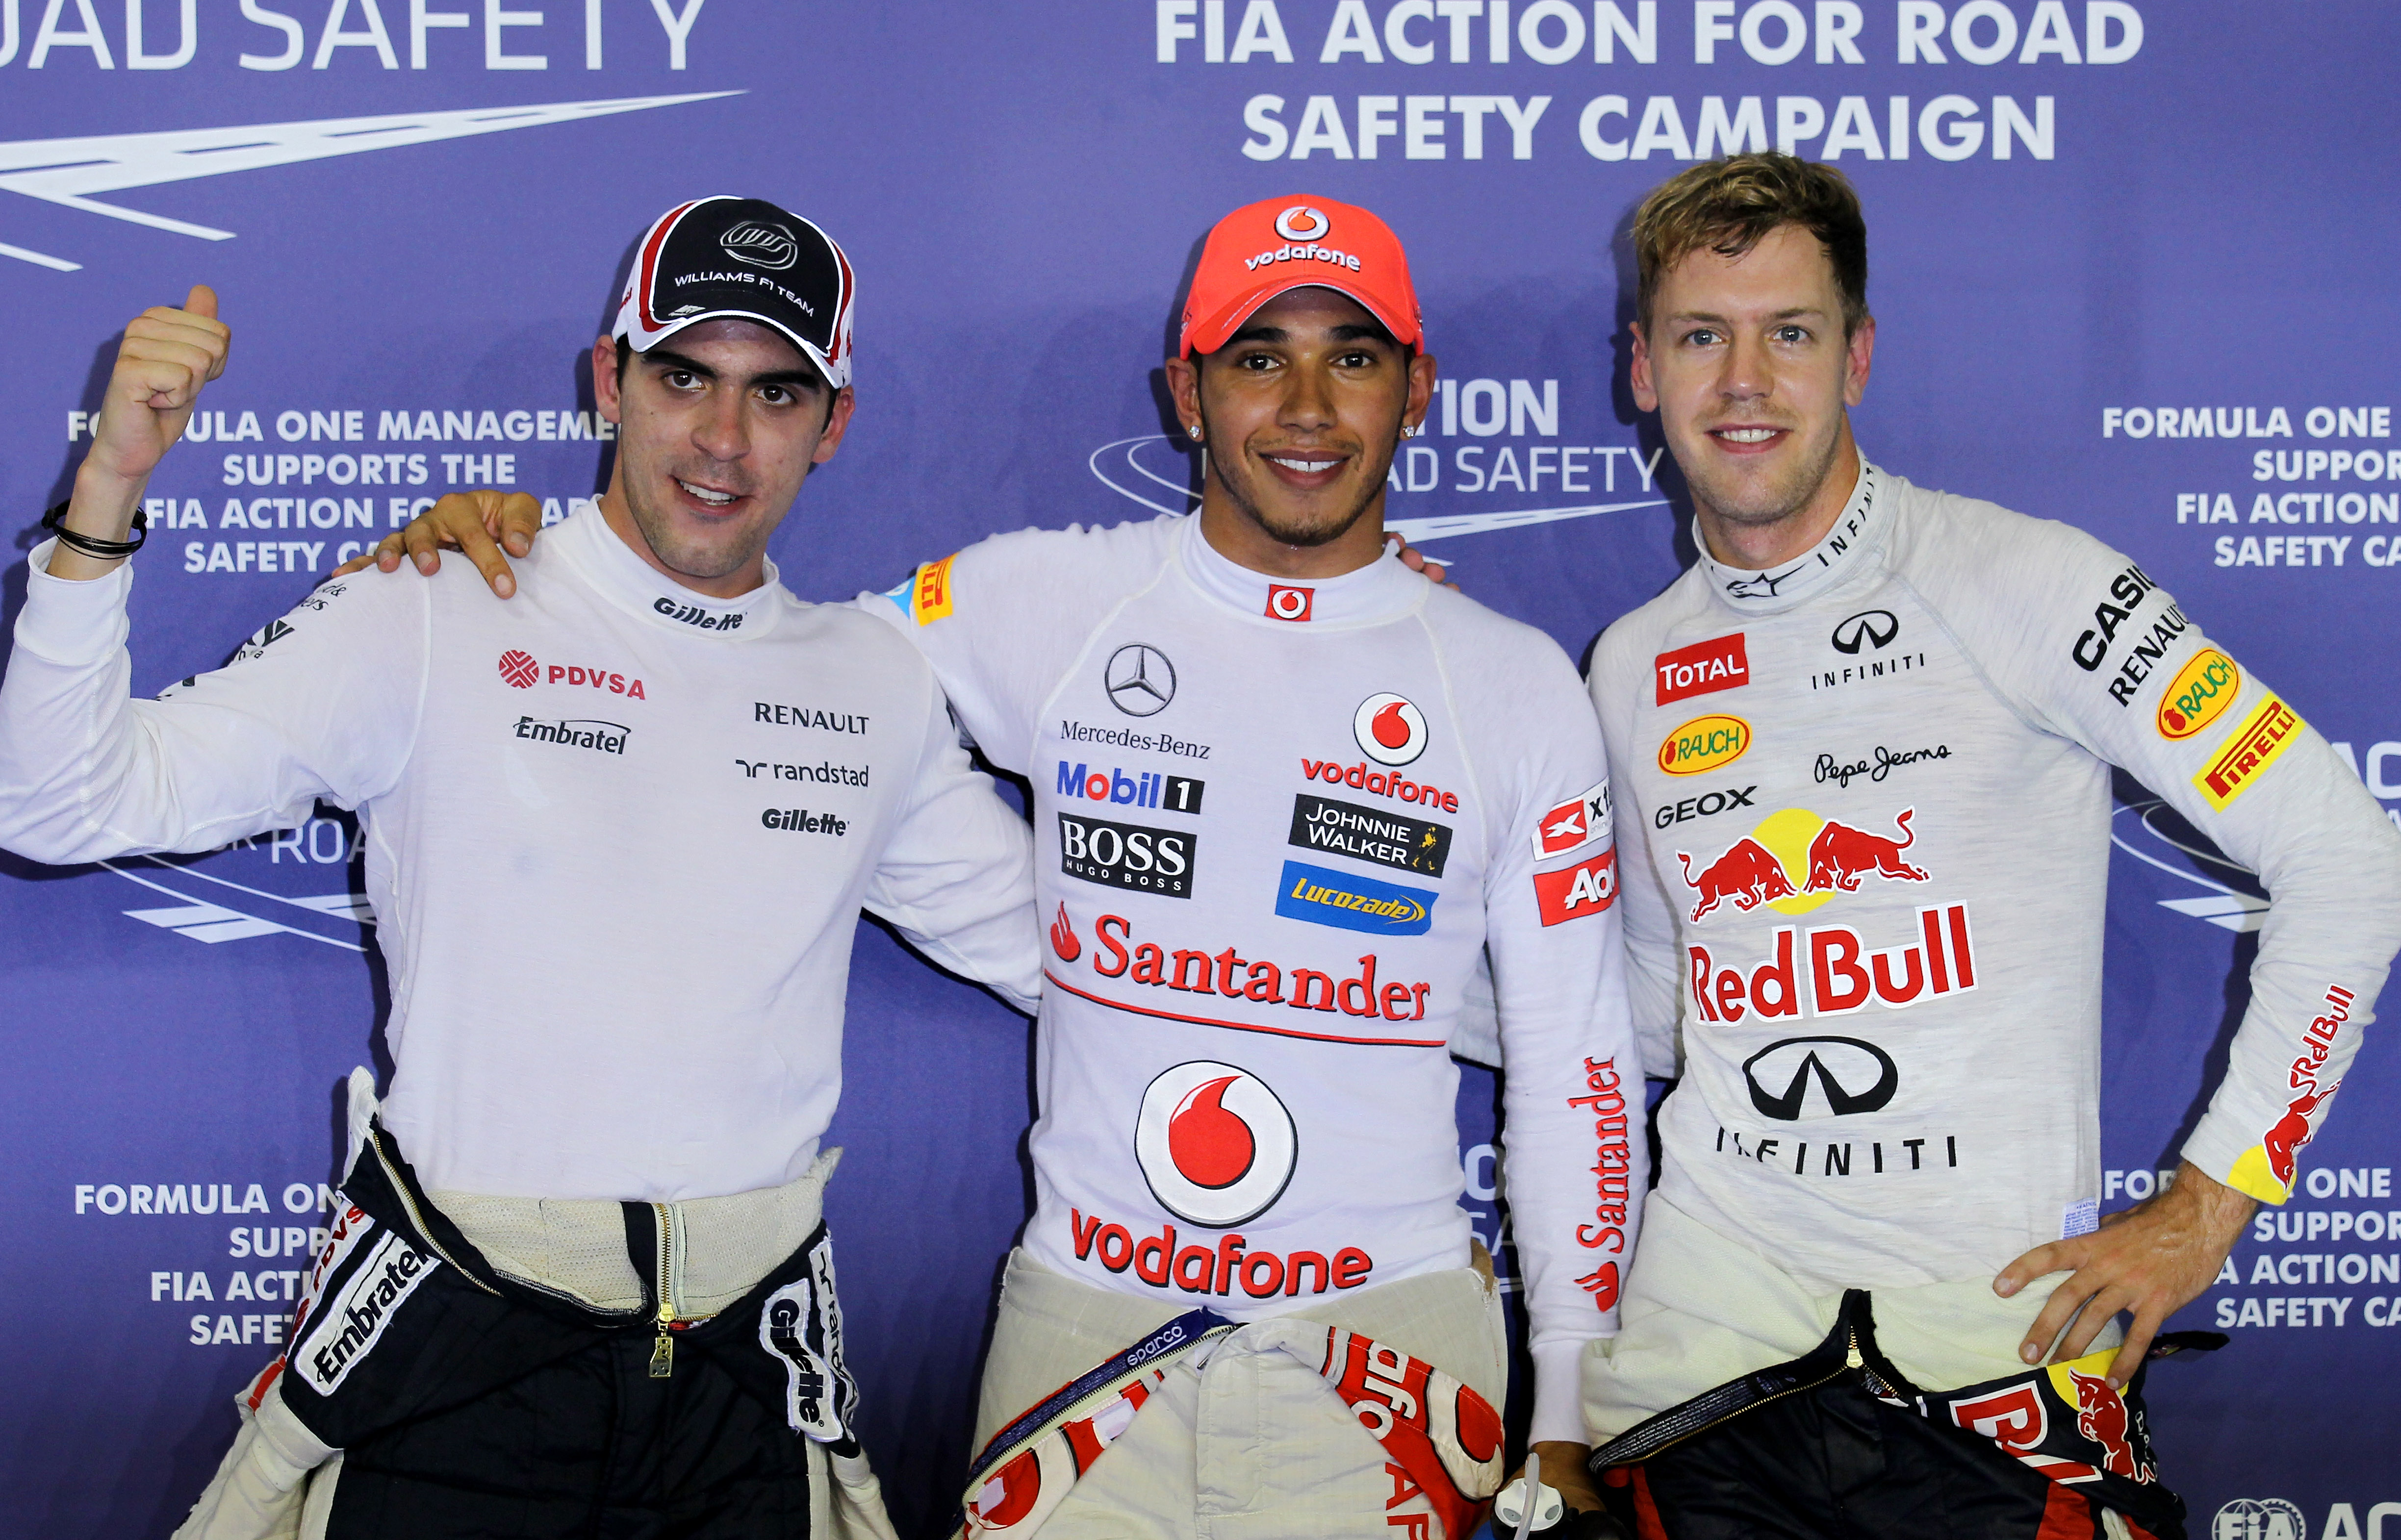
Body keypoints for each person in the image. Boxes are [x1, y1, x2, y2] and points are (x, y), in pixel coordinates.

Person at [349, 194, 1645, 1538]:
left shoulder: (1508, 685)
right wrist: (546, 568)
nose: (1307, 406)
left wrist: (1564, 1403)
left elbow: (1575, 1066)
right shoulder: (1040, 599)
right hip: (1087, 1339)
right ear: (1187, 392)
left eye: (1353, 357)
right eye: (1260, 358)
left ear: (1417, 390)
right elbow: (755, 655)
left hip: (1390, 1342)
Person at [0, 197, 1045, 1540]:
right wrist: (107, 496)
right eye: (684, 378)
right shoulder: (435, 600)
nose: (723, 441)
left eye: (776, 393)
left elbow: (1091, 963)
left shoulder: (875, 680)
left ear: (832, 424)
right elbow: (56, 802)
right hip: (454, 1373)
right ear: (610, 380)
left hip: (740, 1388)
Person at [1579, 153, 2401, 1539]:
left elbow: (2348, 857)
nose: (1744, 382)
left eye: (1791, 333)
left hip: (1994, 1363)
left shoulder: (2025, 581)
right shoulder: (1631, 666)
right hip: (1704, 1374)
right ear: (1642, 372)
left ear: (1858, 358)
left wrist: (2210, 1204)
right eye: (1699, 336)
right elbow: (1656, 1008)